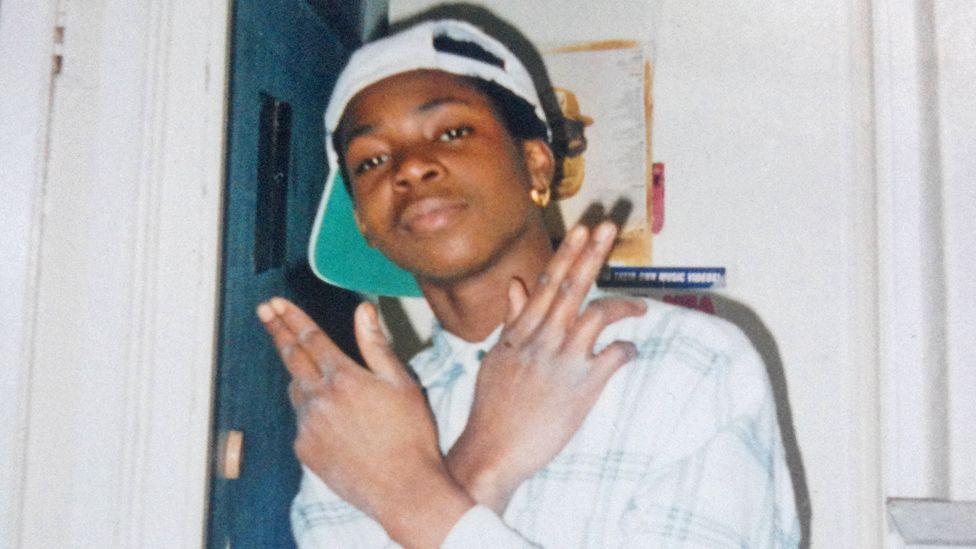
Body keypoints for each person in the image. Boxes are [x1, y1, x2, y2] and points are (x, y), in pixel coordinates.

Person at [255, 17, 800, 548]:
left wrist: (417, 498)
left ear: (537, 165)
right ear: (365, 225)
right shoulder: (356, 428)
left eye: (453, 131)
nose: (410, 167)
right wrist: (486, 456)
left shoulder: (685, 361)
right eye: (371, 160)